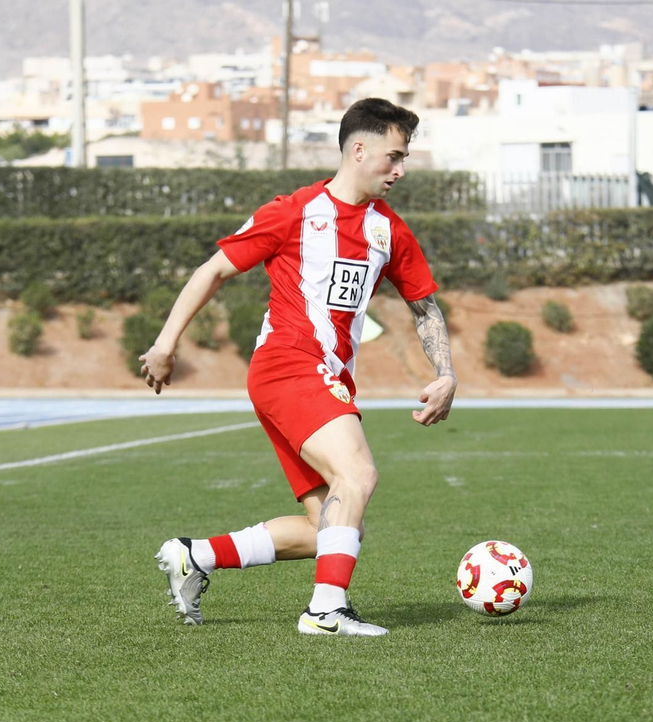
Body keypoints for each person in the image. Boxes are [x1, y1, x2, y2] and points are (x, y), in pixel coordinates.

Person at [141, 98, 456, 638]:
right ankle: (326, 610)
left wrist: (446, 372)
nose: (401, 170)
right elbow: (213, 270)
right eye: (395, 156)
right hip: (288, 364)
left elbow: (423, 304)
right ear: (360, 149)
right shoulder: (295, 211)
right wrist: (166, 344)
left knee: (326, 526)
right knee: (357, 475)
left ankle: (196, 556)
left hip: (322, 374)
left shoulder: (388, 231)